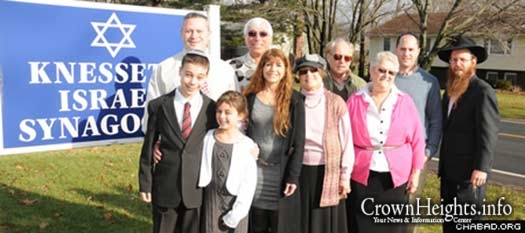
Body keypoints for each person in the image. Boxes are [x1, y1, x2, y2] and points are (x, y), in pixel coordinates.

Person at [138, 50, 218, 233]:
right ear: (180, 72)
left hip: (196, 188)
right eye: (188, 75)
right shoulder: (159, 106)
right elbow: (149, 146)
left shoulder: (212, 108)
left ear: (205, 78)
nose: (192, 81)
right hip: (165, 185)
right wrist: (145, 182)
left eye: (199, 77)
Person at [346, 51, 425, 233]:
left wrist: (416, 173)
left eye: (391, 73)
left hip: (395, 177)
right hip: (362, 173)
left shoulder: (405, 101)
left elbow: (417, 140)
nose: (386, 76)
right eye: (382, 70)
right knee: (362, 224)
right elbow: (345, 139)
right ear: (372, 70)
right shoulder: (355, 100)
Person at [437, 35, 499, 233]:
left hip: (469, 175)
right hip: (449, 173)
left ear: (473, 62)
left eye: (462, 60)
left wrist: (482, 168)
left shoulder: (482, 91)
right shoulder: (449, 91)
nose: (457, 64)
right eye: (454, 60)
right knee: (450, 224)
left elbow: (488, 133)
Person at [242, 48, 305, 233]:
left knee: (280, 225)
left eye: (279, 65)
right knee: (257, 225)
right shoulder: (249, 97)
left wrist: (293, 176)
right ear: (261, 68)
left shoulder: (295, 100)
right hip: (255, 173)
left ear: (286, 69)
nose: (273, 69)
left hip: (281, 173)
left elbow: (299, 142)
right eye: (268, 64)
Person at [142, 12, 236, 133]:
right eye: (188, 31)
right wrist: (154, 139)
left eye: (199, 31)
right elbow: (152, 108)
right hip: (176, 142)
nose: (194, 36)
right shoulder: (164, 68)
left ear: (209, 34)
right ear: (181, 33)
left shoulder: (225, 69)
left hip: (216, 141)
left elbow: (236, 108)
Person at [294, 54, 354, 233]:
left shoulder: (336, 102)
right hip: (299, 171)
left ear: (321, 73)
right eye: (303, 71)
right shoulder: (292, 101)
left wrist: (345, 176)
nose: (308, 75)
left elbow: (347, 142)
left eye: (313, 70)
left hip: (328, 171)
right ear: (298, 76)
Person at [393, 32, 442, 233]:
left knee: (411, 207)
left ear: (419, 52)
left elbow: (436, 120)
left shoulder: (429, 82)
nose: (406, 53)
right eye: (403, 49)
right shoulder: (387, 76)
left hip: (417, 154)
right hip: (389, 153)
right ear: (396, 50)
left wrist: (428, 152)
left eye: (411, 49)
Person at [198, 91, 258, 233]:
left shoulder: (247, 145)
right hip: (212, 202)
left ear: (241, 115)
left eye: (228, 112)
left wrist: (235, 215)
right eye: (219, 111)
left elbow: (248, 185)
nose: (222, 116)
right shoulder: (208, 137)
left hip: (236, 205)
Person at [227, 17, 273, 91]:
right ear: (245, 37)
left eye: (263, 34)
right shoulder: (230, 66)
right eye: (252, 34)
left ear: (271, 38)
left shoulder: (278, 67)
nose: (257, 38)